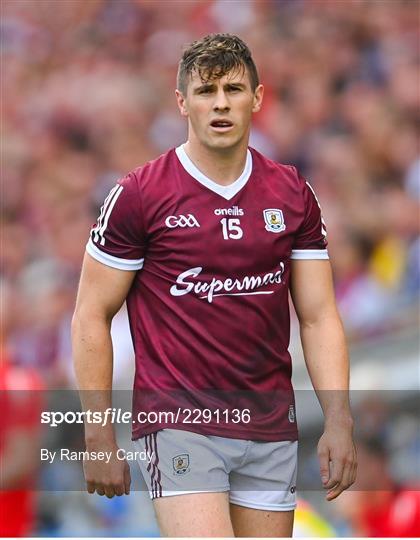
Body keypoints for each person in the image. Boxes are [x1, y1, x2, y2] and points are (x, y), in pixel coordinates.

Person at [72, 33, 357, 537]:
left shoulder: (292, 193)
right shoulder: (140, 195)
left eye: (233, 89)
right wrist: (98, 434)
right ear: (182, 102)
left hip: (269, 423)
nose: (221, 103)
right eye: (206, 91)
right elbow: (91, 313)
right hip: (180, 421)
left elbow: (318, 315)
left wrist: (338, 417)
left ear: (258, 98)